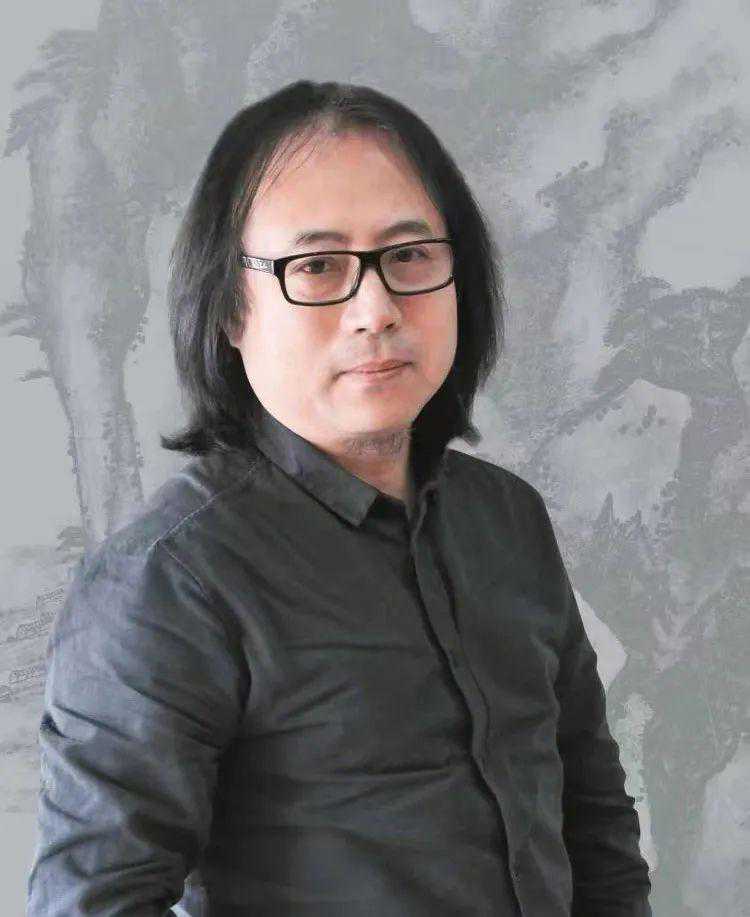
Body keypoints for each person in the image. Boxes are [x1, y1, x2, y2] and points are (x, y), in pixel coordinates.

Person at [27, 80, 652, 916]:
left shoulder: (507, 517)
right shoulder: (166, 579)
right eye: (317, 266)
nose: (376, 309)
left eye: (410, 255)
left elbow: (593, 822)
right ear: (229, 309)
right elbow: (94, 900)